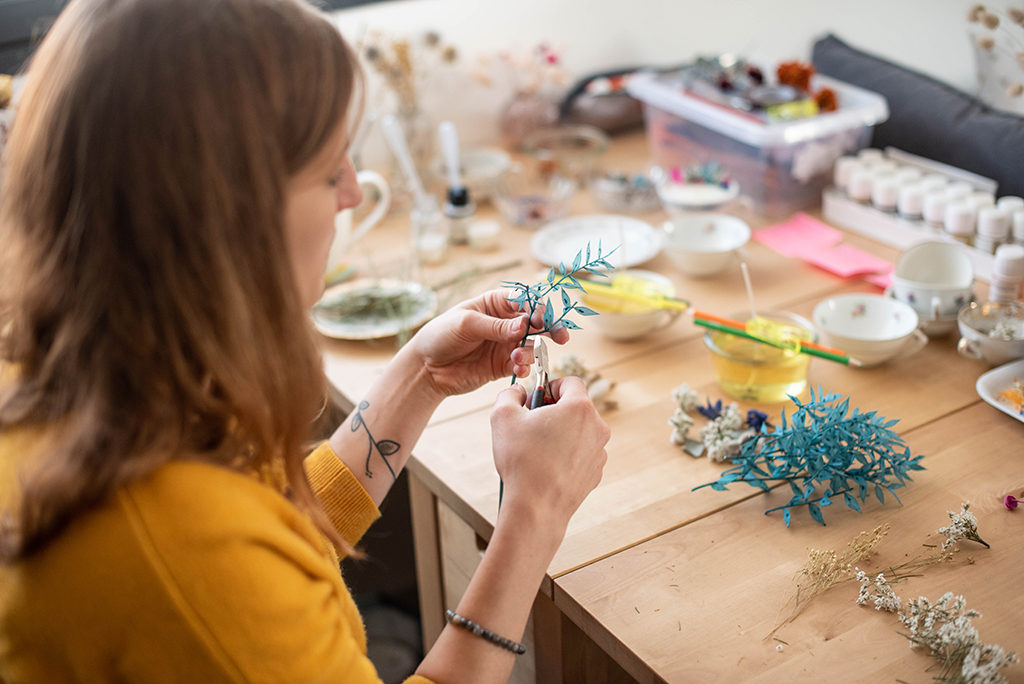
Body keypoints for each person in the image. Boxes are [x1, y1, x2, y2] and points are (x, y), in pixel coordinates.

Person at [0, 0, 610, 682]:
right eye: (327, 172)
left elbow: (274, 532)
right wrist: (535, 513)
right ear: (224, 218)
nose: (352, 191)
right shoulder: (182, 552)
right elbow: (224, 561)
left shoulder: (91, 368)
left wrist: (419, 377)